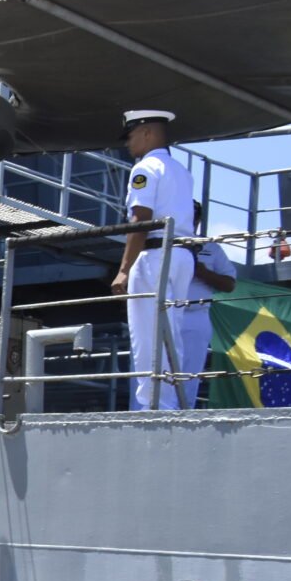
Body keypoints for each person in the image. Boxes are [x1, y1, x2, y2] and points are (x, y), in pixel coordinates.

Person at [112, 110, 198, 410]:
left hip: (154, 256)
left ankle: (153, 407)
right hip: (182, 255)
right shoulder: (181, 171)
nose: (127, 143)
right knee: (171, 330)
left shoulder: (145, 169)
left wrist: (123, 270)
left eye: (131, 135)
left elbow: (141, 220)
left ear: (147, 132)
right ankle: (172, 402)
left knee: (147, 333)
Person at [180, 225, 237, 409]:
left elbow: (229, 284)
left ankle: (183, 413)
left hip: (196, 315)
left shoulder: (210, 247)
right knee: (154, 370)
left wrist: (203, 273)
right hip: (164, 314)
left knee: (190, 374)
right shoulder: (156, 244)